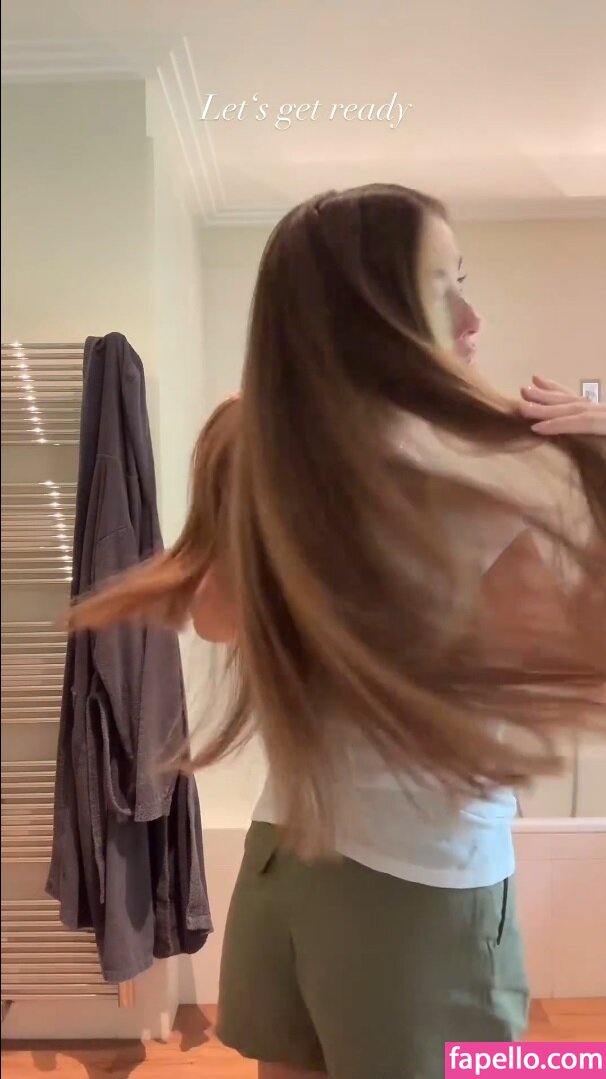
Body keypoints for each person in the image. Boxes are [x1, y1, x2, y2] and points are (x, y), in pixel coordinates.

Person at [68, 185, 606, 1079]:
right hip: (418, 893)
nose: (472, 319)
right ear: (364, 317)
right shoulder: (495, 472)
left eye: (463, 282)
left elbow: (213, 616)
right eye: (440, 288)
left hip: (288, 863)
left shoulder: (268, 453)